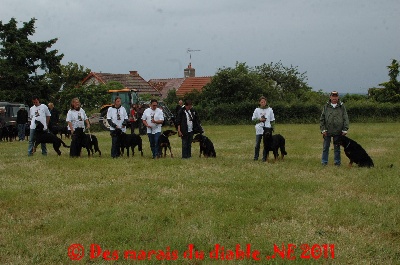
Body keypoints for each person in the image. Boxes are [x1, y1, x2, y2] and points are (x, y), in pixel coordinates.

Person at [320, 91, 349, 166]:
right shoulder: (326, 106)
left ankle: (337, 163)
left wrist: (345, 129)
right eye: (333, 96)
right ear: (330, 97)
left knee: (337, 148)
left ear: (338, 97)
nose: (334, 98)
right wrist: (323, 129)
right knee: (325, 148)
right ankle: (324, 162)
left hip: (338, 131)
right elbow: (322, 118)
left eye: (336, 96)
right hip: (327, 131)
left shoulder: (342, 106)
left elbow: (345, 118)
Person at [251, 96, 275, 161]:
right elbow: (253, 120)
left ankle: (264, 158)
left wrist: (273, 128)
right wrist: (259, 120)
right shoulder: (256, 110)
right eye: (261, 102)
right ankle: (256, 157)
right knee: (257, 144)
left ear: (266, 102)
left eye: (264, 102)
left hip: (267, 129)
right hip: (259, 129)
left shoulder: (270, 109)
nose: (263, 103)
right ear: (259, 102)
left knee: (266, 144)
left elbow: (272, 120)